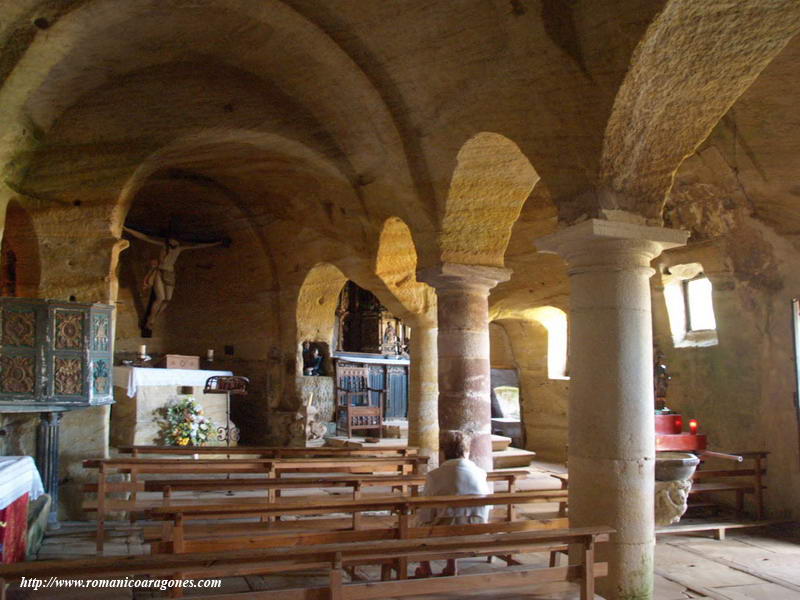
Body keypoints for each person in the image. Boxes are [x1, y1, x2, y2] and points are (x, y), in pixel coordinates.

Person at [415, 430, 492, 578]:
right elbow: (488, 507)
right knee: (456, 517)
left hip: (443, 533)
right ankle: (451, 565)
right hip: (477, 530)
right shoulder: (480, 473)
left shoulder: (434, 476)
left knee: (420, 524)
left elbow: (426, 514)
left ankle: (425, 568)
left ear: (442, 452)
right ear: (467, 451)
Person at [123, 226, 228, 333]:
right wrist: (126, 229)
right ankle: (151, 320)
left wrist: (216, 243)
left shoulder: (180, 247)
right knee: (160, 298)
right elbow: (145, 237)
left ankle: (154, 318)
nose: (173, 240)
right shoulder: (164, 244)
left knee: (167, 300)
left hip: (170, 273)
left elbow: (197, 245)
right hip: (160, 271)